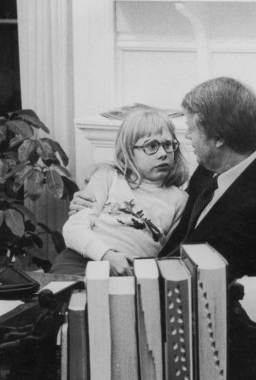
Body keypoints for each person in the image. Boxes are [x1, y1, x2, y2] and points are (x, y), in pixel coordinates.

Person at [70, 77, 256, 280]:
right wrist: (89, 203)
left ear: (218, 138)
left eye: (191, 129)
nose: (187, 136)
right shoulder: (213, 167)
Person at [50, 109, 188, 276]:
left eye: (168, 144)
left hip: (128, 271)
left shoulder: (180, 200)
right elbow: (73, 229)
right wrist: (107, 255)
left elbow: (169, 256)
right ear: (129, 151)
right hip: (81, 259)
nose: (163, 154)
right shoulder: (108, 177)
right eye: (151, 146)